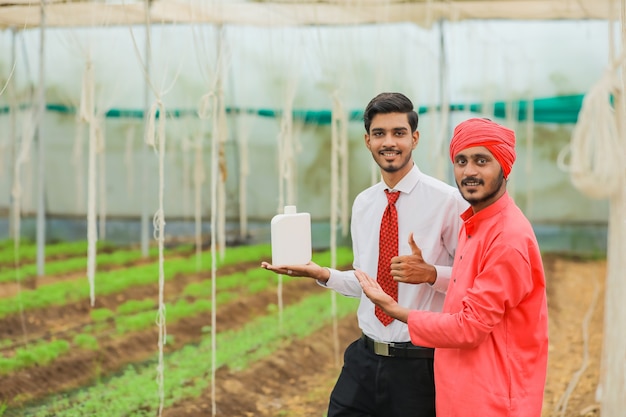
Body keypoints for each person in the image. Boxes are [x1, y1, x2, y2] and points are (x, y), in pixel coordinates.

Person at [261, 92, 468, 417]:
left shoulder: (448, 202)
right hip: (364, 358)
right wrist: (321, 273)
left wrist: (430, 274)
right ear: (367, 140)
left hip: (419, 365)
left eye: (399, 133)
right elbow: (368, 282)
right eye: (380, 133)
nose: (389, 142)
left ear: (414, 138)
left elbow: (470, 280)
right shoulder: (365, 203)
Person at [356, 117, 549, 417]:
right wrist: (431, 272)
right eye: (461, 161)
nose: (469, 171)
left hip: (493, 398)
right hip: (460, 389)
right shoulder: (473, 224)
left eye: (481, 161)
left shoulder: (508, 237)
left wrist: (396, 310)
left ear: (504, 166)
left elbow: (469, 327)